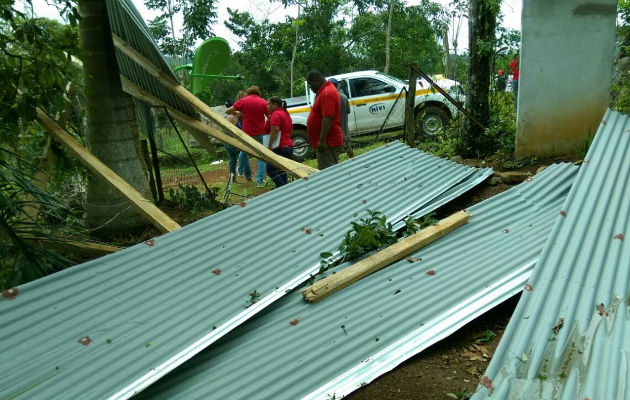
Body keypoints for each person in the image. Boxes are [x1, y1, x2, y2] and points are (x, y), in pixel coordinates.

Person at [226, 86, 269, 187]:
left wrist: (236, 112)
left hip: (247, 132)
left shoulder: (243, 101)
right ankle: (260, 182)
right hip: (260, 132)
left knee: (244, 150)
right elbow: (269, 117)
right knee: (261, 157)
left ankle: (240, 171)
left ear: (248, 92)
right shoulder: (263, 102)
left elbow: (227, 111)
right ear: (258, 93)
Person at [305, 70, 343, 169]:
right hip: (326, 141)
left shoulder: (326, 93)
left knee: (329, 174)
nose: (311, 88)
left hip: (327, 141)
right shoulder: (324, 91)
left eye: (310, 84)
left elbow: (328, 118)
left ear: (316, 81)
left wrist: (321, 140)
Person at [264, 96, 294, 187]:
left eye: (269, 104)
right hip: (288, 146)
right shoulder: (285, 114)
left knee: (271, 170)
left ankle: (283, 189)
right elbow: (291, 130)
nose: (267, 106)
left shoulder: (276, 114)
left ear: (275, 104)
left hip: (280, 147)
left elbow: (275, 129)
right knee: (281, 170)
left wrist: (270, 146)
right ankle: (285, 189)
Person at [329, 77, 353, 158]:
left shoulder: (329, 99)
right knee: (349, 149)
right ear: (337, 86)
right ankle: (354, 163)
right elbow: (348, 111)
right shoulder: (344, 97)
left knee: (336, 153)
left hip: (335, 133)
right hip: (345, 131)